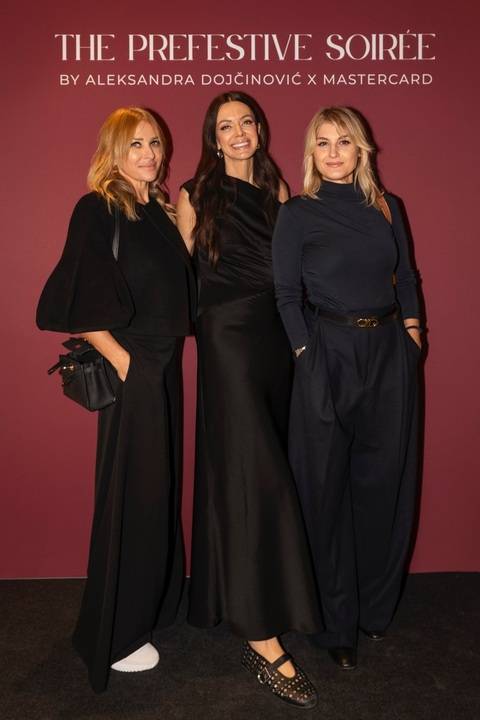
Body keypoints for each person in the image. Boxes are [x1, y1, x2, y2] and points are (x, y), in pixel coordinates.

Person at [36, 107, 196, 692]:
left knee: (158, 489)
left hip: (164, 365)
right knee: (133, 495)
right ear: (113, 152)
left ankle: (152, 605)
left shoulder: (157, 210)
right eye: (135, 145)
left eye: (154, 143)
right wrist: (127, 363)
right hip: (136, 365)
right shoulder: (98, 207)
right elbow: (76, 301)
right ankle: (117, 634)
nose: (148, 154)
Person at [176, 92, 319, 709]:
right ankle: (261, 635)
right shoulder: (194, 194)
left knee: (255, 471)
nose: (238, 133)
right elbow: (178, 275)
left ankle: (235, 595)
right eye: (226, 126)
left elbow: (293, 273)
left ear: (259, 130)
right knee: (253, 473)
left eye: (247, 123)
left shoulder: (278, 192)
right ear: (213, 137)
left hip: (273, 341)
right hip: (227, 339)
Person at [272, 106, 421, 671]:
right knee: (326, 490)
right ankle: (336, 623)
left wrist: (413, 334)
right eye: (323, 143)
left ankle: (375, 609)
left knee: (383, 484)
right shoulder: (297, 213)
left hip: (389, 353)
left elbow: (407, 277)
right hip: (327, 353)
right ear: (310, 153)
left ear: (362, 150)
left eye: (344, 142)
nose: (333, 152)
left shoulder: (388, 207)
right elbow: (286, 294)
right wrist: (305, 353)